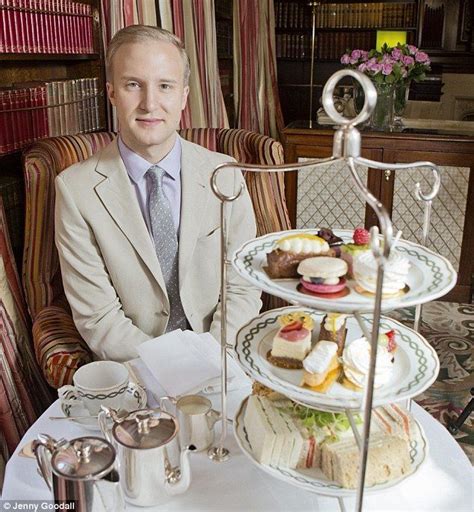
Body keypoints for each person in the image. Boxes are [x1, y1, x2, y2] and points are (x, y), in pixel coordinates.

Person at [54, 25, 261, 362]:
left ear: (183, 96)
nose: (150, 104)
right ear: (111, 93)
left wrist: (213, 359)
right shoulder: (75, 191)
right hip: (137, 367)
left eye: (165, 86)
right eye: (133, 85)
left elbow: (242, 285)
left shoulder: (226, 174)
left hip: (222, 359)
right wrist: (173, 367)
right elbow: (99, 318)